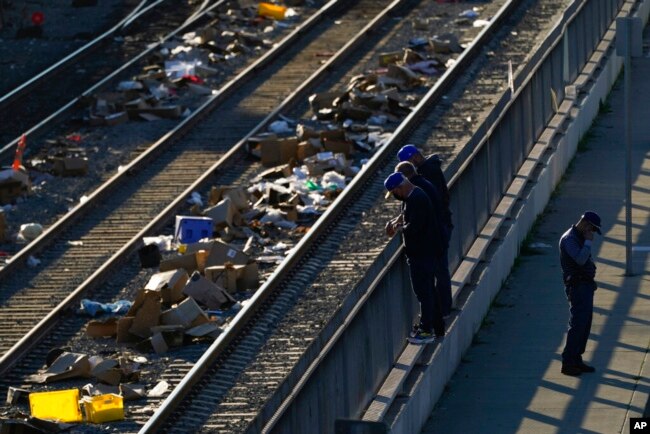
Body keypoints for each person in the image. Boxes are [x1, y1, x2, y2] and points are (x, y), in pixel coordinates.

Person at [384, 172, 445, 344]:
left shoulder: (417, 199)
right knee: (429, 291)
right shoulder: (412, 197)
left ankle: (426, 330)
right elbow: (407, 217)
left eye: (394, 192)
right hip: (425, 253)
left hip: (422, 254)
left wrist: (399, 229)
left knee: (423, 292)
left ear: (400, 188)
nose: (395, 196)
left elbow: (415, 227)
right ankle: (437, 326)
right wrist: (398, 222)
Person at [397, 144, 453, 316]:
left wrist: (405, 225)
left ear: (414, 158)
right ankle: (442, 308)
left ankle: (442, 310)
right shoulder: (429, 171)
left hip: (437, 228)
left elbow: (426, 207)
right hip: (441, 225)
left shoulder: (426, 176)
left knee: (438, 269)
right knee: (439, 269)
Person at [559, 211, 601, 376]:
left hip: (585, 286)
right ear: (585, 223)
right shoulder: (569, 239)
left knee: (585, 324)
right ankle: (568, 361)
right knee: (577, 324)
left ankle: (576, 358)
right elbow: (580, 259)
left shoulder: (579, 237)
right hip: (577, 287)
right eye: (593, 228)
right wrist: (588, 243)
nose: (593, 232)